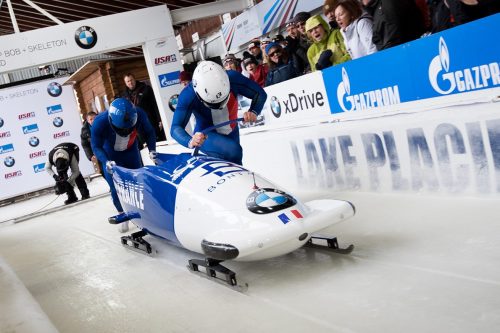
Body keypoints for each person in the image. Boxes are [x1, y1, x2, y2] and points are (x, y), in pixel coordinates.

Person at [170, 61, 267, 165]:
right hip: (206, 135)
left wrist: (253, 111)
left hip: (232, 130)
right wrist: (190, 141)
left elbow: (260, 94)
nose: (220, 106)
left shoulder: (233, 78)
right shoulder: (188, 95)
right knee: (234, 151)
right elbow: (175, 127)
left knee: (236, 162)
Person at [91, 98, 157, 232]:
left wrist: (152, 149)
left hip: (131, 151)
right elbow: (96, 146)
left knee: (138, 182)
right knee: (115, 187)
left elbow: (150, 132)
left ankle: (144, 214)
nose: (126, 131)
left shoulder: (139, 114)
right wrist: (105, 161)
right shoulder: (99, 122)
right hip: (111, 156)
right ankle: (122, 213)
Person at [361, 0, 426, 51]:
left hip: (412, 55)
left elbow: (392, 42)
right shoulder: (375, 9)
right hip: (406, 54)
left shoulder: (388, 4)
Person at [123, 73, 166, 142]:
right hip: (137, 125)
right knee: (145, 145)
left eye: (131, 80)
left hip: (150, 121)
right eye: (128, 81)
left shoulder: (146, 89)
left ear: (134, 79)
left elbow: (155, 104)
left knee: (156, 141)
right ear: (125, 83)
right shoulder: (125, 96)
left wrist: (159, 119)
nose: (130, 82)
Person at [80, 111, 104, 176]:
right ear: (88, 121)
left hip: (109, 149)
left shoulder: (104, 124)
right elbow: (85, 145)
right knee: (103, 171)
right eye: (91, 119)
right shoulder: (85, 130)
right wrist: (90, 155)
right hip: (98, 152)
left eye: (95, 118)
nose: (93, 120)